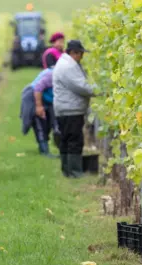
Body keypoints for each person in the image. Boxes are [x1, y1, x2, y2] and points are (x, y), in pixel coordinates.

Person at [53, 40, 94, 178]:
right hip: (71, 109)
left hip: (64, 108)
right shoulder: (69, 66)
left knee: (66, 139)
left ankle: (67, 170)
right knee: (74, 140)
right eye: (81, 54)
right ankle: (75, 172)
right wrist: (100, 91)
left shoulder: (64, 63)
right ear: (73, 53)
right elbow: (81, 86)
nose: (81, 57)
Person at [20, 68, 60, 157]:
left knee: (49, 123)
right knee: (39, 122)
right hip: (33, 97)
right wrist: (39, 106)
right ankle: (44, 151)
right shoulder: (51, 75)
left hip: (47, 99)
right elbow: (38, 88)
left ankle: (58, 150)